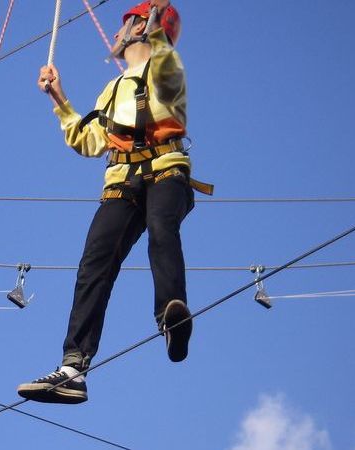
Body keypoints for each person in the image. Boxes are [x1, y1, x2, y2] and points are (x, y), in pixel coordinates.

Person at [17, 0, 211, 405]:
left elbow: (161, 89)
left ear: (143, 27)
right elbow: (89, 141)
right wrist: (59, 98)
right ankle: (73, 366)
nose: (117, 32)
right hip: (122, 179)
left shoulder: (168, 68)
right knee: (95, 263)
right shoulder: (111, 90)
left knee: (162, 230)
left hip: (166, 169)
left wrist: (155, 18)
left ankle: (171, 316)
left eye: (126, 24)